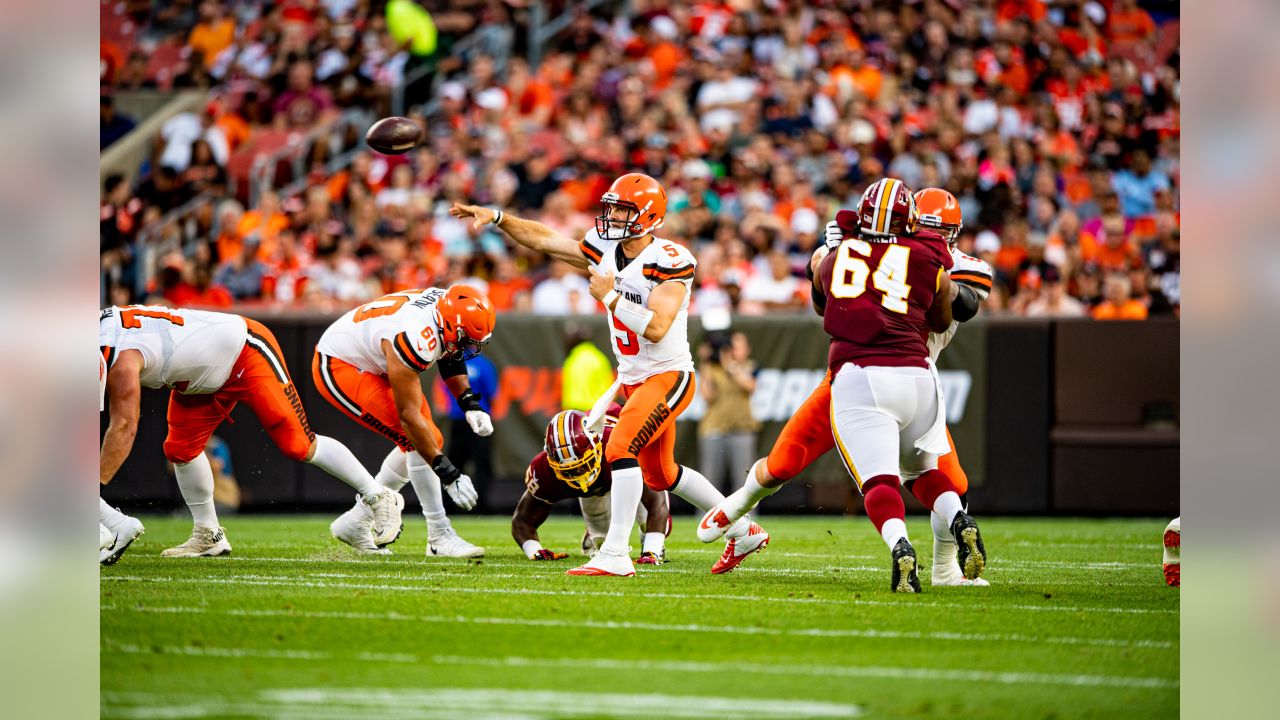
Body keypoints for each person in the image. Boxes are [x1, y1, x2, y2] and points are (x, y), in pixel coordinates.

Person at [450, 172, 769, 577]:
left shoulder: (670, 259)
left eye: (623, 209)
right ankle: (743, 530)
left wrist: (610, 295)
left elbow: (657, 327)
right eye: (612, 206)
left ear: (649, 216)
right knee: (662, 473)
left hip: (668, 375)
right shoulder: (603, 246)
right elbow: (545, 240)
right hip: (634, 377)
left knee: (618, 449)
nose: (612, 215)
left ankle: (616, 553)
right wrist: (497, 217)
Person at [700, 179, 987, 592]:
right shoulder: (921, 259)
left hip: (864, 374)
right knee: (785, 461)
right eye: (927, 227)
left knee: (900, 479)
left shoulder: (914, 257)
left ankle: (942, 568)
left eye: (941, 232)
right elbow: (940, 305)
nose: (936, 237)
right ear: (909, 221)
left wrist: (838, 253)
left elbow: (968, 302)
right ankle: (736, 510)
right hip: (908, 378)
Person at [100, 305, 402, 557]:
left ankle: (378, 495)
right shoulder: (99, 336)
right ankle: (208, 534)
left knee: (298, 443)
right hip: (196, 376)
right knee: (180, 450)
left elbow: (125, 426)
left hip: (244, 349)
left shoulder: (120, 358)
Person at [314, 286, 495, 557]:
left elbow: (450, 353)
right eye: (465, 339)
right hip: (342, 364)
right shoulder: (414, 335)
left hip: (376, 357)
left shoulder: (445, 309)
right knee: (417, 439)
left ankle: (357, 520)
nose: (468, 346)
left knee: (430, 439)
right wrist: (448, 474)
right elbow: (409, 418)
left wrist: (469, 403)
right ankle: (439, 534)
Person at [513, 409, 670, 564]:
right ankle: (593, 534)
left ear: (596, 448)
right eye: (568, 470)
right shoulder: (544, 470)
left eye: (582, 465)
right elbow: (522, 521)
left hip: (622, 460)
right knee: (603, 545)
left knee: (657, 525)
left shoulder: (618, 445)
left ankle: (650, 543)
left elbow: (657, 502)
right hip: (596, 488)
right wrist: (534, 550)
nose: (578, 474)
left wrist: (651, 551)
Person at [697, 332, 759, 494]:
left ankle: (747, 518)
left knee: (745, 482)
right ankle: (706, 517)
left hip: (742, 429)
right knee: (709, 482)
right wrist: (705, 364)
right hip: (714, 428)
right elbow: (707, 396)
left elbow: (749, 386)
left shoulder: (748, 366)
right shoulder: (712, 368)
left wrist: (730, 366)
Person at [437, 353, 498, 510]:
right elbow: (492, 393)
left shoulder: (453, 361)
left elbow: (441, 390)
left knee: (462, 463)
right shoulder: (483, 364)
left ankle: (462, 504)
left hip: (469, 418)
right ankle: (470, 505)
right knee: (465, 464)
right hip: (469, 418)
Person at [561, 323, 615, 412]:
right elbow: (612, 390)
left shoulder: (572, 360)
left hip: (577, 412)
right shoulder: (599, 358)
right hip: (598, 412)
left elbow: (569, 396)